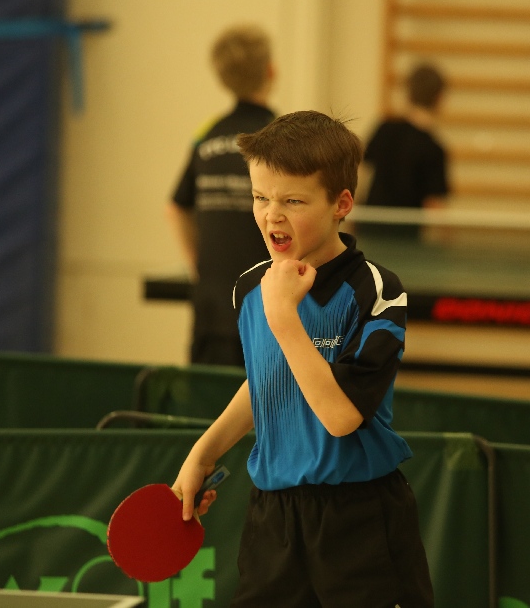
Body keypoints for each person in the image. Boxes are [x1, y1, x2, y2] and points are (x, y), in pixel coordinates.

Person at [172, 111, 435, 607]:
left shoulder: (376, 291)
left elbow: (340, 416)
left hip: (358, 519)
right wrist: (202, 454)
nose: (272, 215)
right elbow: (268, 380)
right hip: (273, 520)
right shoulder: (251, 288)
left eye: (293, 201)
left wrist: (284, 318)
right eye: (260, 197)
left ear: (341, 204)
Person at [168, 25, 276, 367]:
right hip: (267, 309)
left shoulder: (207, 136)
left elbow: (175, 206)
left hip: (211, 307)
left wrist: (197, 265)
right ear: (271, 71)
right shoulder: (281, 137)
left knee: (208, 398)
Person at [362, 62, 449, 211]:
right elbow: (435, 205)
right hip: (407, 226)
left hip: (370, 222)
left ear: (409, 93)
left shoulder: (384, 129)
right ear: (439, 98)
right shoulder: (434, 149)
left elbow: (360, 176)